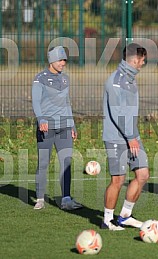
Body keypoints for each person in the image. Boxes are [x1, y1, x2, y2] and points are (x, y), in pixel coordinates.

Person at [101, 43, 149, 231]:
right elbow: (117, 112)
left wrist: (133, 135)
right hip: (117, 138)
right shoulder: (115, 80)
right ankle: (107, 220)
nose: (143, 64)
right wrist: (130, 137)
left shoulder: (130, 79)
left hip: (132, 136)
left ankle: (125, 216)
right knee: (118, 180)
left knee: (142, 174)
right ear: (135, 60)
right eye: (142, 60)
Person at [32, 46, 82, 210]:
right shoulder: (40, 79)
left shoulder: (65, 79)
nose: (63, 63)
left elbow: (67, 103)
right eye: (61, 60)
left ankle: (66, 199)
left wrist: (72, 124)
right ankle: (40, 199)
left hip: (64, 128)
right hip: (47, 128)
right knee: (44, 163)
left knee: (66, 162)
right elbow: (36, 102)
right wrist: (41, 120)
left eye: (64, 60)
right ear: (52, 60)